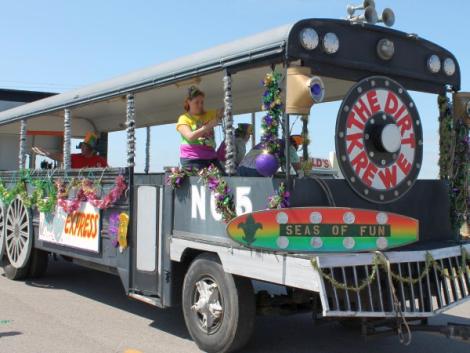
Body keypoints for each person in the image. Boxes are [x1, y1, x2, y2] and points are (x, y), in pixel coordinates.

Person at [176, 86, 223, 170]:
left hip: (211, 157)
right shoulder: (184, 118)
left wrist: (223, 111)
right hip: (192, 159)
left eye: (202, 102)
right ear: (188, 102)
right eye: (196, 102)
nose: (200, 105)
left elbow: (223, 111)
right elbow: (190, 137)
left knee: (223, 179)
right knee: (205, 182)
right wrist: (208, 126)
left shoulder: (209, 114)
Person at [32, 131, 108, 168]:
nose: (81, 148)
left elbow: (108, 173)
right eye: (81, 146)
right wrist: (46, 153)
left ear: (91, 149)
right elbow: (60, 157)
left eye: (84, 146)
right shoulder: (75, 157)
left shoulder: (101, 161)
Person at [237, 135, 303, 177]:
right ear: (295, 144)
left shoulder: (275, 142)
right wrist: (303, 176)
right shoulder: (289, 146)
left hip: (241, 168)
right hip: (256, 169)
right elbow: (298, 168)